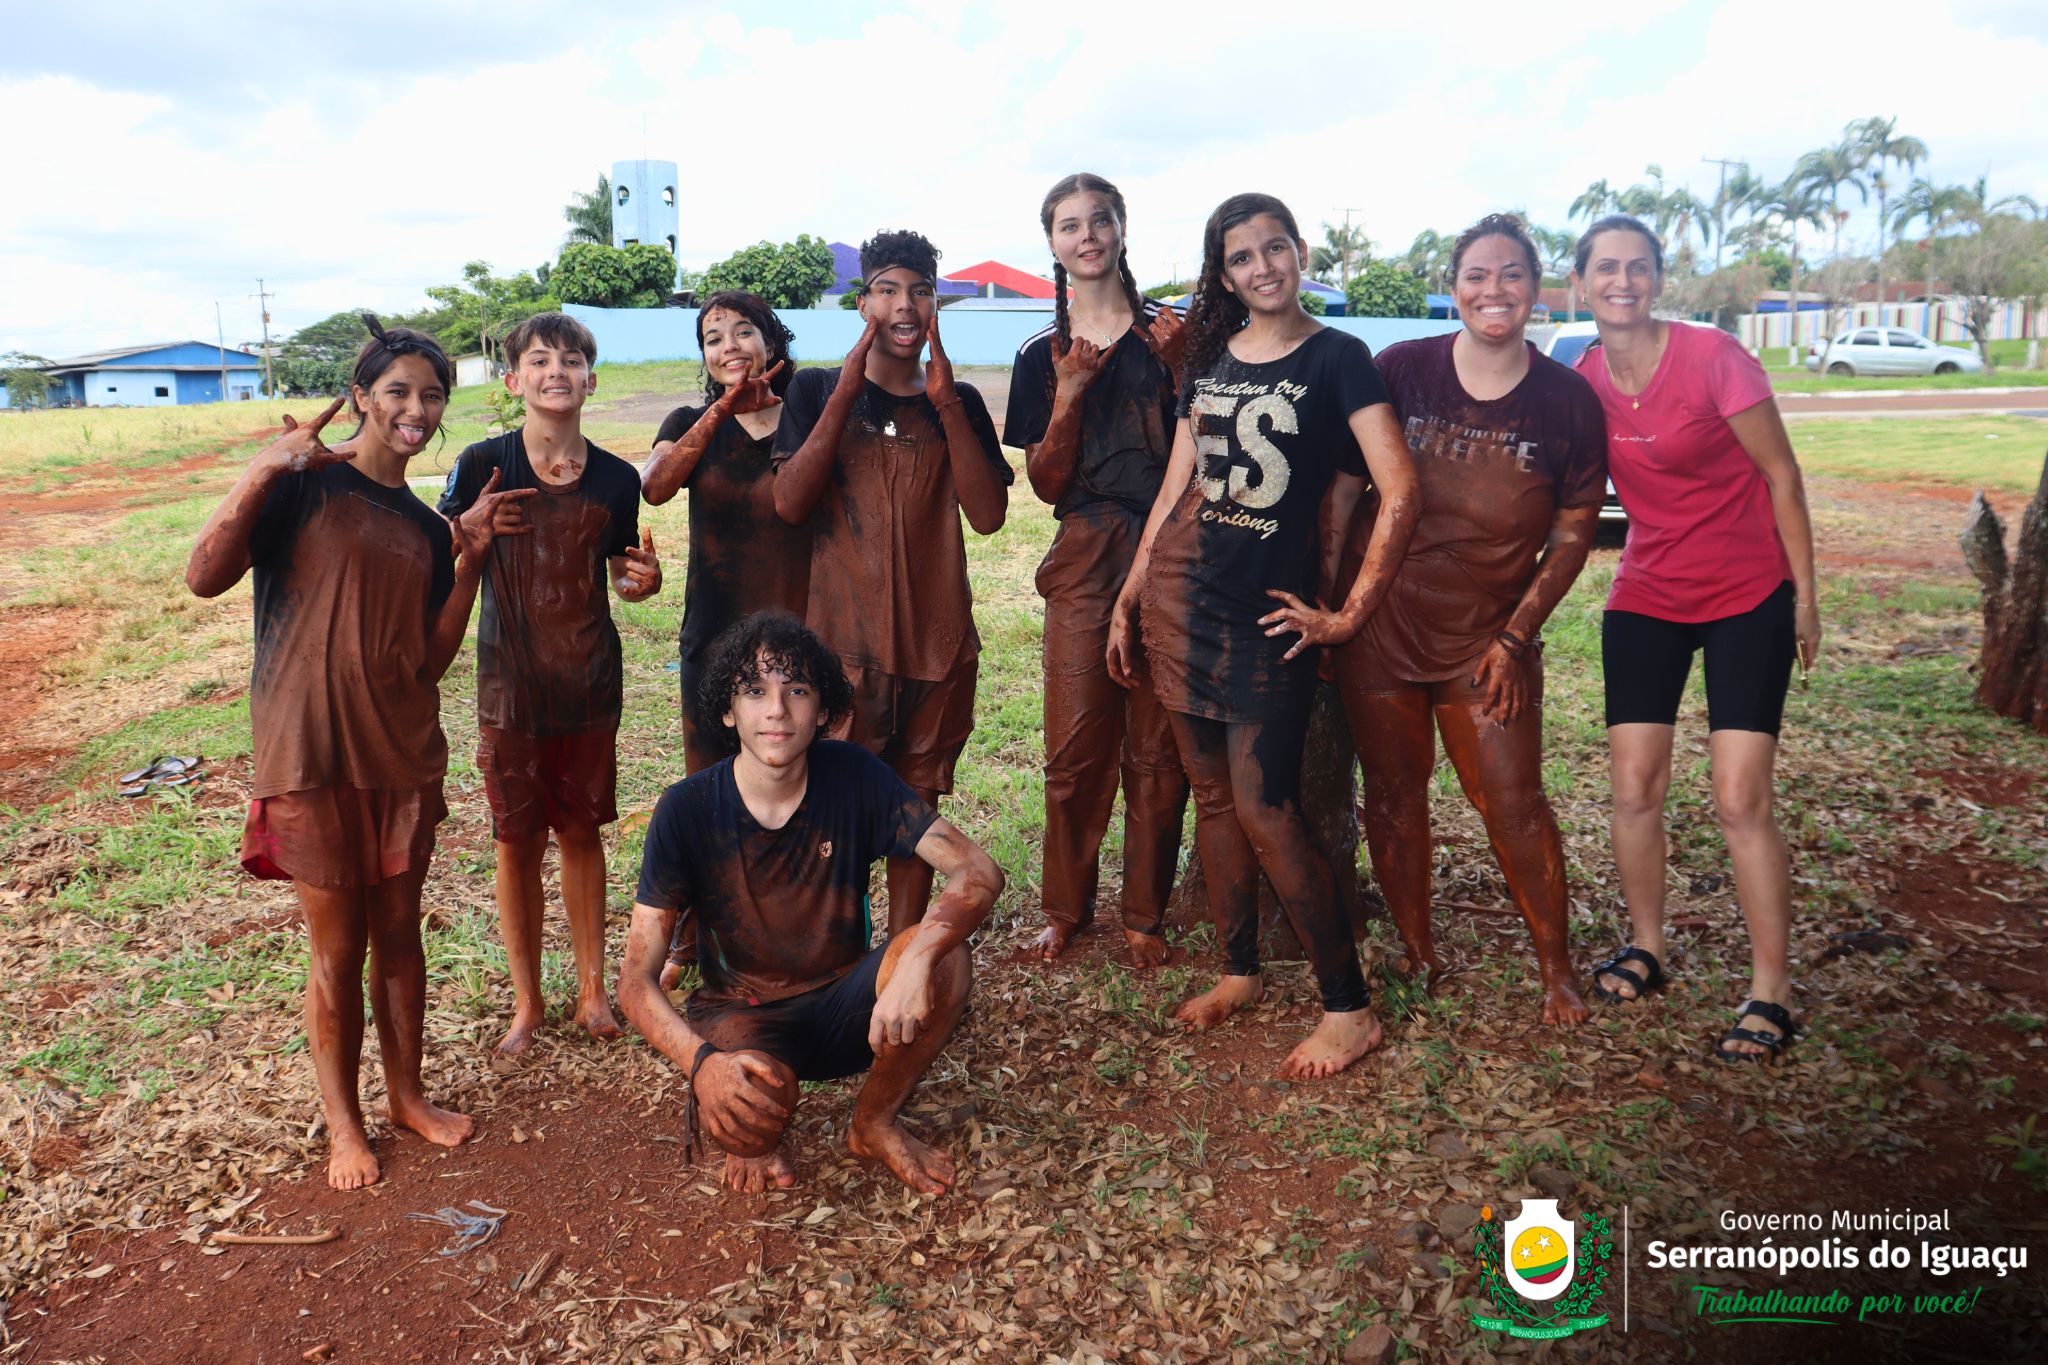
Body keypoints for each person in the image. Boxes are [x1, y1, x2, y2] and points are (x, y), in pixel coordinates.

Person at [187, 317, 525, 1189]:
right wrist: (263, 467)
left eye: (433, 395)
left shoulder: (421, 525)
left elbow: (427, 659)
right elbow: (202, 575)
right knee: (336, 952)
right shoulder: (304, 487)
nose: (416, 409)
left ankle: (407, 1094)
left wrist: (472, 561)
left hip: (400, 752)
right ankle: (346, 1123)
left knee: (400, 936)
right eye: (400, 392)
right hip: (309, 751)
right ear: (365, 395)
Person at [1106, 193, 1420, 1078]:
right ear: (1225, 273)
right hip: (1180, 599)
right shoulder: (1207, 358)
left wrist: (1347, 615)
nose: (1261, 268)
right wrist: (1131, 597)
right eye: (1240, 258)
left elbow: (1399, 487)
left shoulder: (1339, 356)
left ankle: (1347, 1007)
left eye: (1273, 248)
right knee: (1213, 794)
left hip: (1265, 614)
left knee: (1264, 806)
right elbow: (1176, 486)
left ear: (1299, 250)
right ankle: (1239, 967)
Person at [617, 612, 1005, 1195]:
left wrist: (919, 960)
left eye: (796, 690)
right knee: (749, 1117)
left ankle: (873, 1120)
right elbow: (634, 979)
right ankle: (751, 1113)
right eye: (755, 691)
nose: (776, 710)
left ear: (823, 712)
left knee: (947, 958)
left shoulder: (852, 775)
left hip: (845, 1005)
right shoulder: (686, 809)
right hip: (741, 1016)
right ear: (729, 711)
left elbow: (977, 870)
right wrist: (704, 1066)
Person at [1332, 214, 1608, 1028]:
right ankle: (1418, 948)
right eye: (1478, 275)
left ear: (1535, 287)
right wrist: (1336, 613)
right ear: (1453, 288)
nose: (1494, 290)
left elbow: (1574, 526)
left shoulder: (1566, 400)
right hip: (1382, 629)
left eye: (1512, 274)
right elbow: (1348, 493)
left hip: (1488, 641)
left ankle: (1556, 967)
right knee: (1392, 794)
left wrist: (1517, 636)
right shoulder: (1403, 369)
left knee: (1515, 801)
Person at [1569, 213, 1821, 1063]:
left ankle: (1771, 988)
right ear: (1581, 284)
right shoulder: (1586, 373)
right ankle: (1648, 944)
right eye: (1606, 268)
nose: (1623, 282)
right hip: (1648, 591)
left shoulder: (1715, 357)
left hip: (1747, 591)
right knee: (1634, 784)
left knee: (1739, 796)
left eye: (1638, 267)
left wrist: (1805, 597)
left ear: (1658, 279)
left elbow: (1782, 474)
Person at [772, 229, 1013, 935]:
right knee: (833, 803)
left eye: (919, 290)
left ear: (936, 303)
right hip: (846, 646)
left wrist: (944, 403)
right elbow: (790, 502)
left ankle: (904, 951)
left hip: (937, 647)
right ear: (863, 302)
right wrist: (847, 390)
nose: (904, 305)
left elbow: (990, 515)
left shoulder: (958, 400)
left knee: (918, 803)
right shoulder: (817, 387)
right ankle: (833, 948)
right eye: (887, 290)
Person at [438, 312, 662, 1056]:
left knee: (582, 832)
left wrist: (642, 583)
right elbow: (441, 552)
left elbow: (623, 576)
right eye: (539, 360)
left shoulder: (616, 478)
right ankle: (528, 1002)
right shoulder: (481, 465)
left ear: (592, 380)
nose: (556, 370)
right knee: (515, 839)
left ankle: (594, 991)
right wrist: (465, 529)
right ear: (514, 381)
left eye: (571, 359)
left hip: (590, 683)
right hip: (510, 686)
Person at [1005, 172, 1190, 966]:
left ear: (1121, 229)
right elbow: (1045, 482)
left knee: (1157, 744)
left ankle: (1145, 912)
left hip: (1172, 546)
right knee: (1075, 743)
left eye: (1100, 221)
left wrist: (1185, 369)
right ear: (1051, 243)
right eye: (1070, 225)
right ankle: (1066, 907)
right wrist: (1071, 389)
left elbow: (1206, 443)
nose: (1087, 236)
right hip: (1084, 552)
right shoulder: (1038, 354)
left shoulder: (1172, 335)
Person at [643, 292, 811, 990]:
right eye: (714, 338)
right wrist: (721, 409)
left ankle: (789, 932)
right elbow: (654, 485)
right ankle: (691, 932)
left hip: (799, 639)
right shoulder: (689, 420)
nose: (730, 346)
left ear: (774, 340)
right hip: (712, 634)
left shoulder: (810, 412)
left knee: (795, 787)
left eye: (745, 331)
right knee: (707, 786)